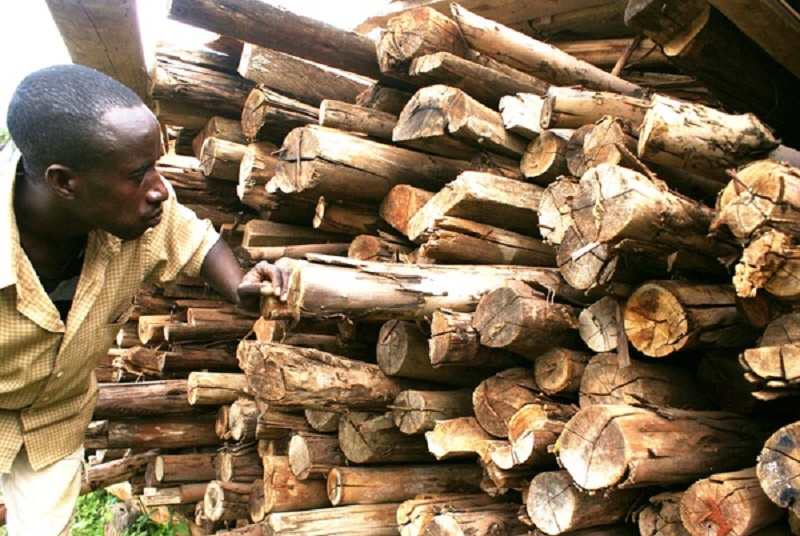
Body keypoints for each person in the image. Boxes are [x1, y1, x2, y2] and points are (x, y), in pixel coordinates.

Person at [0, 64, 286, 535]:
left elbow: (193, 240)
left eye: (157, 164)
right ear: (64, 183)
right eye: (138, 174)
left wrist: (238, 286)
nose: (160, 189)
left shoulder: (140, 217)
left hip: (55, 415)